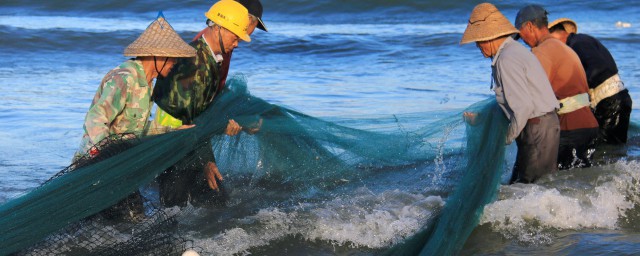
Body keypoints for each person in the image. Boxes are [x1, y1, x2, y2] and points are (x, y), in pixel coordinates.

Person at [74, 13, 196, 219]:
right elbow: (95, 119)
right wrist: (105, 158)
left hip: (120, 167)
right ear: (158, 55)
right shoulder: (124, 78)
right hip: (96, 168)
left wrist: (172, 132)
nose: (175, 62)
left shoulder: (147, 84)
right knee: (124, 220)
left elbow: (137, 129)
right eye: (173, 57)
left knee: (134, 219)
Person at [151, 0, 256, 207]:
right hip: (174, 144)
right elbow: (192, 118)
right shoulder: (194, 63)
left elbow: (201, 109)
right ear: (218, 28)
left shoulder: (209, 57)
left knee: (212, 204)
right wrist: (207, 161)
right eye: (235, 38)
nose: (236, 44)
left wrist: (228, 123)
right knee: (175, 209)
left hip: (188, 142)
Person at [461, 3, 560, 184]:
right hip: (542, 125)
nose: (477, 46)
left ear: (489, 37)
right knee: (532, 186)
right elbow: (512, 102)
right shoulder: (513, 51)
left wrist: (505, 138)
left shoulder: (506, 59)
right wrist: (482, 119)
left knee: (530, 189)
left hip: (537, 128)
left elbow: (523, 107)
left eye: (478, 40)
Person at [515, 5, 600, 170]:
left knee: (557, 183)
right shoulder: (564, 48)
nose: (523, 41)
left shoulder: (541, 52)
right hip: (589, 125)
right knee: (581, 183)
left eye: (521, 34)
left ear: (530, 27)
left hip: (571, 127)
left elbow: (532, 94)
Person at [548, 18, 632, 145]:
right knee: (614, 148)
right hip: (618, 98)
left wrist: (579, 88)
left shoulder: (577, 44)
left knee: (604, 149)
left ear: (557, 35)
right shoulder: (583, 40)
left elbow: (597, 68)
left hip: (610, 102)